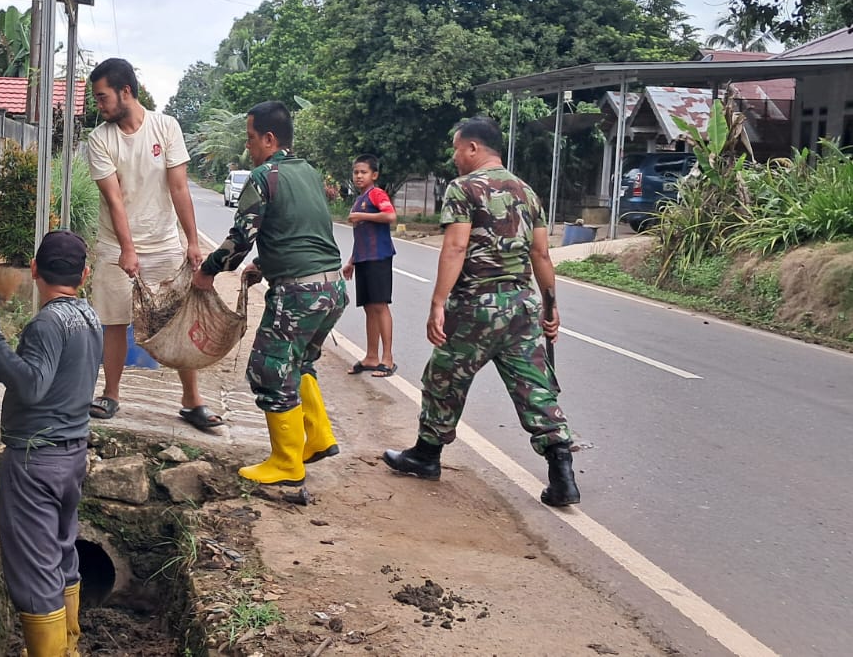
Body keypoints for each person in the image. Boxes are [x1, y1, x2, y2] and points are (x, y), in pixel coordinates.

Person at [382, 117, 580, 508]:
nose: (454, 157)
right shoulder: (527, 192)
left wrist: (438, 302)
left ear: (473, 148)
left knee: (443, 380)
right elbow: (541, 254)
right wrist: (551, 308)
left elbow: (455, 247)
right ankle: (563, 475)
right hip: (521, 308)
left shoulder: (463, 189)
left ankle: (426, 455)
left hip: (475, 307)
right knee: (535, 388)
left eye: (457, 149)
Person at [0, 230, 102, 656]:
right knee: (61, 557)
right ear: (84, 275)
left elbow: (32, 386)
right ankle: (67, 646)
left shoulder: (47, 323)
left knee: (35, 576)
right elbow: (51, 380)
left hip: (36, 464)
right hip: (70, 460)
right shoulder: (87, 318)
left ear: (34, 270)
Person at [194, 101, 346, 486]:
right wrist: (264, 266)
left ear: (269, 138)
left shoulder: (263, 176)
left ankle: (286, 462)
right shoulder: (309, 173)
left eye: (250, 138)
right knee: (300, 363)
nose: (248, 147)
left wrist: (208, 271)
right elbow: (299, 230)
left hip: (299, 293)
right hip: (332, 288)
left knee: (268, 371)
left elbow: (240, 240)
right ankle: (319, 437)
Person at [85, 58, 224, 433]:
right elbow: (115, 200)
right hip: (116, 246)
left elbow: (179, 188)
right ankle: (111, 394)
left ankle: (191, 400)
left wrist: (192, 242)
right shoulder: (100, 139)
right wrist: (128, 249)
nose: (99, 105)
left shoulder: (166, 127)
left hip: (164, 243)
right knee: (114, 322)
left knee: (176, 320)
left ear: (125, 92)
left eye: (102, 97)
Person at [343, 154, 397, 377]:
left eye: (363, 172)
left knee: (380, 305)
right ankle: (371, 356)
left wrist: (361, 215)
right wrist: (351, 262)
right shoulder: (359, 199)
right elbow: (361, 237)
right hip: (363, 259)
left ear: (374, 175)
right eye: (356, 172)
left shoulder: (376, 194)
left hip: (379, 257)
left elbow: (390, 215)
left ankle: (388, 359)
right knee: (368, 308)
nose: (358, 176)